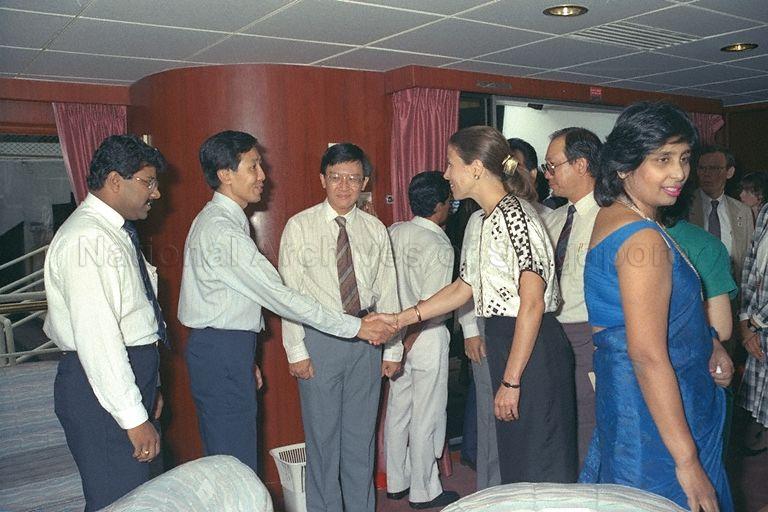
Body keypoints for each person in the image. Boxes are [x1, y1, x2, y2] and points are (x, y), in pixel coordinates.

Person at [178, 132, 393, 474]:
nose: (262, 175)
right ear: (225, 173)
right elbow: (282, 296)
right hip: (226, 347)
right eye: (253, 166)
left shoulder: (224, 223)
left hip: (227, 347)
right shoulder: (223, 231)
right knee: (234, 467)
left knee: (232, 459)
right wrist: (355, 327)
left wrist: (243, 357)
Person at [393, 125, 577, 485]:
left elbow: (533, 304)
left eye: (450, 164)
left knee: (539, 462)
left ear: (476, 168)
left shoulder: (518, 217)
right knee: (517, 458)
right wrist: (402, 318)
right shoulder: (486, 219)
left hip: (531, 346)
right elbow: (465, 288)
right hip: (507, 339)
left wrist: (511, 380)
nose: (446, 174)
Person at [580, 101, 733, 512]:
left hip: (643, 405)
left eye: (684, 158)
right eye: (662, 159)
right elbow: (647, 355)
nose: (680, 173)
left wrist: (710, 341)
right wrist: (687, 462)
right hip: (655, 419)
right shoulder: (642, 238)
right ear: (624, 167)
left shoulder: (619, 217)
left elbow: (653, 321)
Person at [44, 134, 167, 510]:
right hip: (99, 388)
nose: (156, 193)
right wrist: (132, 416)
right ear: (116, 181)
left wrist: (148, 390)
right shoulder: (87, 239)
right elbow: (98, 339)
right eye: (148, 182)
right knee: (119, 500)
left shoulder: (113, 233)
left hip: (124, 380)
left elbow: (137, 317)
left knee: (142, 497)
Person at [278, 143, 401, 512]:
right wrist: (296, 351)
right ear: (322, 180)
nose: (344, 186)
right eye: (336, 178)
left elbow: (390, 289)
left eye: (352, 178)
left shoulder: (376, 229)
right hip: (321, 342)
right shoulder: (299, 227)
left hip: (368, 339)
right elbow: (288, 296)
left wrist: (393, 348)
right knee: (322, 443)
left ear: (364, 181)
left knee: (360, 442)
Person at [384, 171, 459, 509]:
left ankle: (396, 482)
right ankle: (424, 490)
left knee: (398, 410)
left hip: (393, 336)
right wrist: (408, 341)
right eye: (450, 202)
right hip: (423, 336)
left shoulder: (394, 231)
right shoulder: (439, 243)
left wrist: (397, 345)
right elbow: (430, 305)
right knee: (427, 414)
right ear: (440, 206)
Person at [540, 126, 602, 468]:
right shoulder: (552, 219)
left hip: (589, 334)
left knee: (590, 423)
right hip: (553, 332)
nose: (547, 175)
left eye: (553, 165)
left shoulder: (610, 218)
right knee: (559, 421)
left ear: (580, 165)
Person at [690, 145, 754, 282]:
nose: (706, 174)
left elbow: (749, 259)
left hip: (733, 292)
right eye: (702, 168)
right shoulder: (684, 208)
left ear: (729, 172)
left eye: (714, 168)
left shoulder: (743, 211)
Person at [737, 201, 768, 449]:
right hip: (756, 322)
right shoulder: (765, 211)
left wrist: (755, 324)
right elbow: (750, 264)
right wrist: (745, 319)